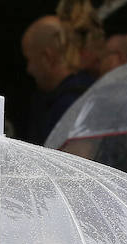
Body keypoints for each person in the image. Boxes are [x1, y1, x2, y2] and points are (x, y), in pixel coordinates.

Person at [21, 14, 95, 146]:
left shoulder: (69, 104)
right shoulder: (92, 88)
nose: (28, 69)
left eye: (29, 60)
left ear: (47, 57)